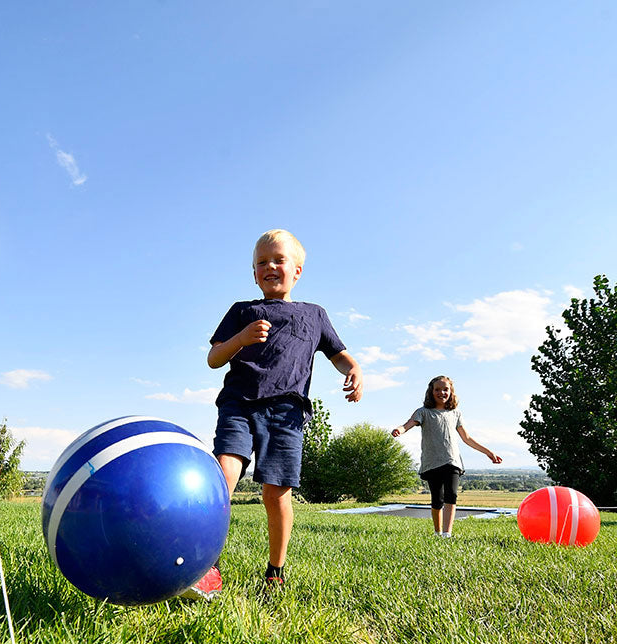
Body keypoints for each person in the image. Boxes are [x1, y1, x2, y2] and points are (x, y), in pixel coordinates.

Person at [180, 229, 363, 600]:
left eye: (278, 260)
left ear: (297, 270)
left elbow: (338, 354)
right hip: (239, 403)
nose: (270, 267)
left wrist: (354, 369)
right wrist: (241, 339)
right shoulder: (243, 312)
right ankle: (206, 565)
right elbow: (214, 358)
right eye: (261, 262)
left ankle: (276, 569)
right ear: (253, 273)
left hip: (287, 412)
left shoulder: (315, 315)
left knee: (276, 493)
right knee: (223, 473)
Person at [392, 375, 502, 537]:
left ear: (451, 392)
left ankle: (446, 534)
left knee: (452, 495)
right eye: (438, 389)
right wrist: (399, 430)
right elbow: (408, 424)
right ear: (431, 391)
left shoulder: (455, 413)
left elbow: (467, 438)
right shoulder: (423, 412)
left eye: (445, 389)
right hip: (432, 462)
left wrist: (488, 452)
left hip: (452, 461)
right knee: (437, 499)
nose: (442, 392)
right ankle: (437, 532)